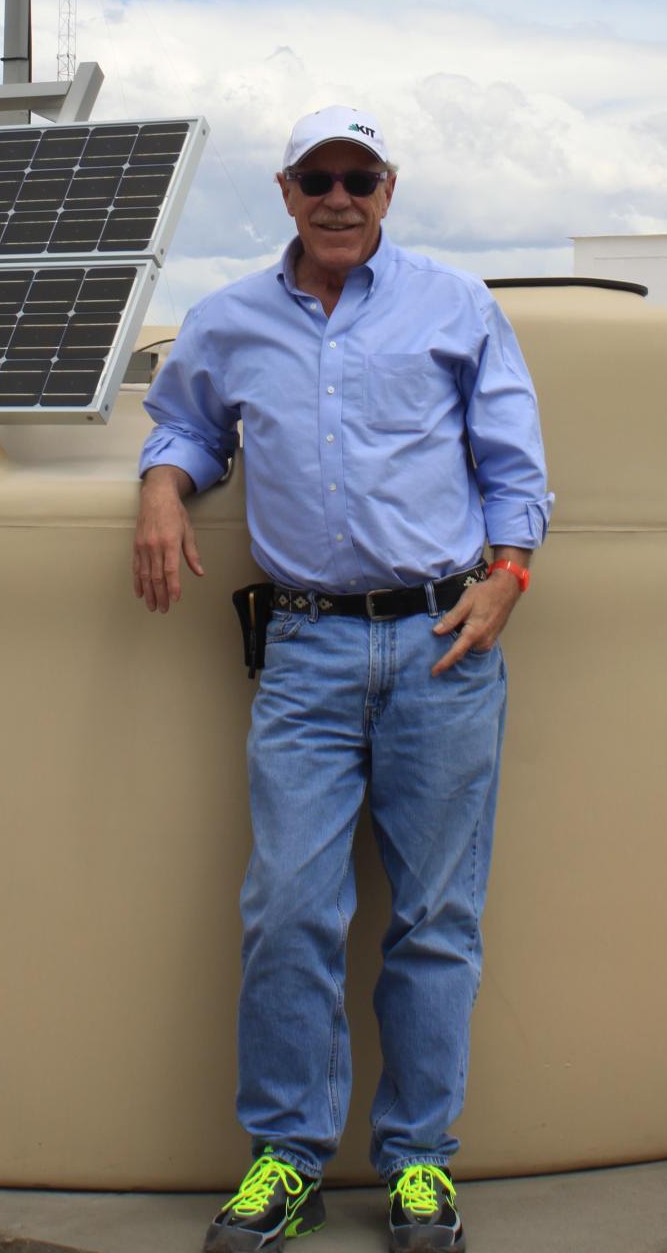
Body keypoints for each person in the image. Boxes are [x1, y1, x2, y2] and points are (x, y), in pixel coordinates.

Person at [133, 105, 552, 1253]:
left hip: (443, 644)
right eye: (317, 177)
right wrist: (163, 489)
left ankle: (420, 1166)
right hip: (308, 652)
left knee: (434, 918)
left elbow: (515, 461)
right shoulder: (229, 321)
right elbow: (184, 427)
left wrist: (510, 574)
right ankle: (288, 1159)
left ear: (389, 186)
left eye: (358, 178)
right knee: (288, 910)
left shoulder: (456, 307)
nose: (339, 197)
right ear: (284, 191)